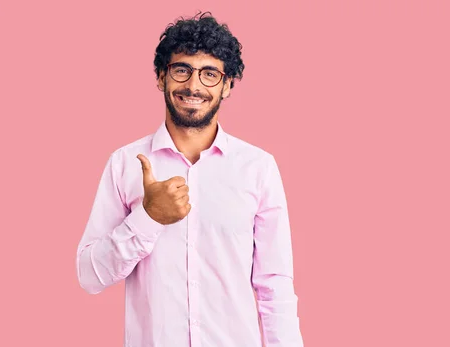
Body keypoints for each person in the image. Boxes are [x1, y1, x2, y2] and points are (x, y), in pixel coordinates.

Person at [76, 12, 304, 347]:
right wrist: (148, 218)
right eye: (182, 69)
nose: (194, 86)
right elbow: (89, 276)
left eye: (209, 74)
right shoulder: (124, 164)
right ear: (160, 77)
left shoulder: (258, 168)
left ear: (227, 85)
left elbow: (275, 286)